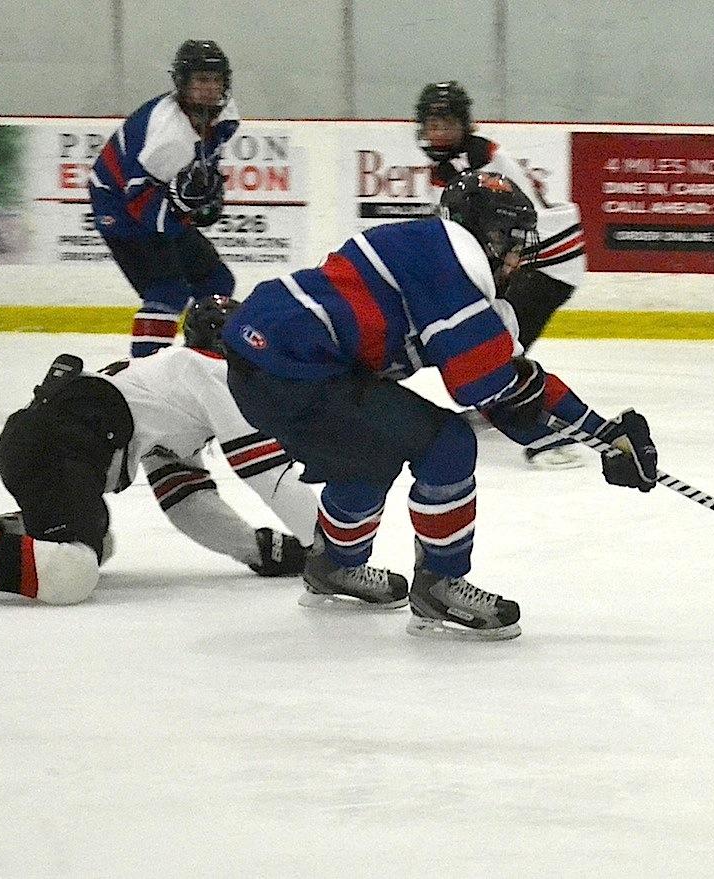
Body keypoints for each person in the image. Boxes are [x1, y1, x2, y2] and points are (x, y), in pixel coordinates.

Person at [221, 170, 658, 641]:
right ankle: (440, 586)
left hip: (267, 365)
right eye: (508, 241)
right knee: (447, 444)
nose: (515, 258)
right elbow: (486, 389)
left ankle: (333, 565)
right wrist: (601, 437)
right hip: (294, 370)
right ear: (482, 233)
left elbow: (508, 391)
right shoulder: (454, 261)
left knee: (366, 454)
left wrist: (604, 436)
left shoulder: (434, 252)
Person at [0, 296, 406, 609]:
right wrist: (335, 550)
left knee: (99, 541)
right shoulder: (212, 375)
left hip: (46, 442)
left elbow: (185, 498)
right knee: (73, 573)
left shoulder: (172, 389)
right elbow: (267, 474)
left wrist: (261, 550)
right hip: (59, 443)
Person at [415, 81, 588, 469]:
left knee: (493, 341)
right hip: (529, 255)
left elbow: (521, 219)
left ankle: (551, 433)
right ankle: (502, 400)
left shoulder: (485, 161)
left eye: (446, 122)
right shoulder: (452, 166)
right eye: (432, 123)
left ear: (464, 124)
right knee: (495, 342)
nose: (438, 131)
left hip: (548, 258)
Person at [89, 39, 239, 358]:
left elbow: (203, 161)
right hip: (115, 203)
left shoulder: (224, 114)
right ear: (183, 84)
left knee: (217, 281)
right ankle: (146, 373)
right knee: (167, 292)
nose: (210, 89)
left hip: (145, 194)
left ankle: (199, 361)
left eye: (216, 80)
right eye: (201, 80)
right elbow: (139, 203)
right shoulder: (168, 137)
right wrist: (182, 207)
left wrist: (202, 197)